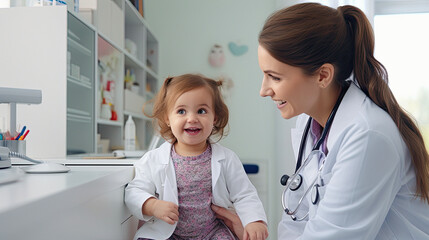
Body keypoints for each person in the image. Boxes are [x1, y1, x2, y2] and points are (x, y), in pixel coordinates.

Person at [212, 2, 429, 239]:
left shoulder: (367, 136)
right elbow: (297, 222)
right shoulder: (309, 126)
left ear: (323, 75)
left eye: (274, 77)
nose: (264, 90)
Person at [125, 74, 268, 240]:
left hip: (212, 232)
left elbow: (244, 194)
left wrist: (254, 221)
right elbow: (135, 190)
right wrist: (153, 205)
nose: (192, 118)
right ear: (167, 118)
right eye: (181, 111)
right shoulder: (154, 159)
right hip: (170, 233)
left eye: (201, 111)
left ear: (214, 117)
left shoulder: (227, 158)